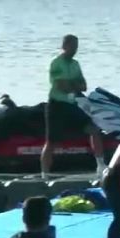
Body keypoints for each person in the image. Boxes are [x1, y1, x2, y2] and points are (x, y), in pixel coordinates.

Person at [41, 34, 105, 179]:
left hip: (71, 104)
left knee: (94, 129)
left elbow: (83, 85)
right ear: (64, 46)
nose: (74, 49)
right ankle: (45, 173)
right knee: (51, 141)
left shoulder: (75, 64)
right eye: (72, 46)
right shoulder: (56, 63)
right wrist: (74, 85)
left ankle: (100, 165)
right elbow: (61, 86)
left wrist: (73, 85)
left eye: (76, 46)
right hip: (57, 106)